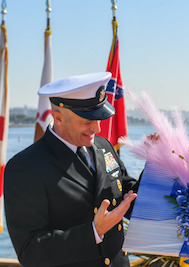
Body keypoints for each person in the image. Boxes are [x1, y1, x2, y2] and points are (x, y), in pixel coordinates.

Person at [5, 72, 139, 267]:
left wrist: (157, 167)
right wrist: (94, 232)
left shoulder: (103, 147)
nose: (97, 129)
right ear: (57, 118)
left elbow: (126, 191)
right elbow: (30, 252)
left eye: (99, 119)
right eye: (88, 121)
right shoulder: (25, 167)